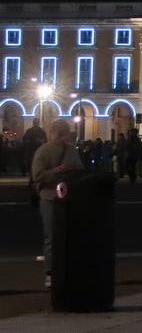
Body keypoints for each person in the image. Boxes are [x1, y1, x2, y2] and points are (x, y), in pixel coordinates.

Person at [31, 119, 82, 288]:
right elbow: (37, 175)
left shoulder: (71, 150)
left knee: (69, 235)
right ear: (52, 133)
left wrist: (74, 172)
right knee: (51, 237)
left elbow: (80, 169)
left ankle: (67, 271)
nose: (62, 138)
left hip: (67, 198)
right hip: (49, 196)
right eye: (59, 134)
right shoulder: (43, 151)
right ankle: (50, 273)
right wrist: (58, 170)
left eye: (64, 134)